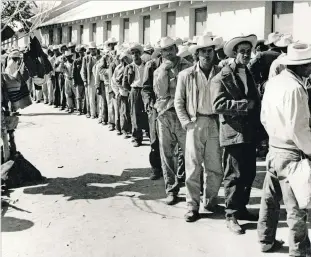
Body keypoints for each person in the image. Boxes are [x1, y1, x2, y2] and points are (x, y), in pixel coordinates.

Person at [258, 42, 311, 256]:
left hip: (274, 147)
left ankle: (265, 240)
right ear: (301, 66)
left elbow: (263, 117)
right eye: (309, 65)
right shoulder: (296, 89)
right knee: (296, 205)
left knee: (270, 200)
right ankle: (299, 249)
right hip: (291, 152)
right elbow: (298, 128)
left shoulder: (274, 83)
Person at [211, 34, 261, 235]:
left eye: (249, 52)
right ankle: (230, 214)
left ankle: (241, 208)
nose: (247, 55)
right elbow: (217, 105)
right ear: (234, 53)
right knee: (233, 175)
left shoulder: (247, 72)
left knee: (249, 173)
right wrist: (243, 106)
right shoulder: (222, 76)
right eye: (242, 52)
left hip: (249, 133)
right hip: (233, 133)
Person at [175, 34, 224, 222]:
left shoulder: (221, 72)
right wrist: (187, 123)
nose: (206, 54)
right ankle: (192, 206)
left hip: (215, 122)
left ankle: (210, 201)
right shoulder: (186, 75)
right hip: (195, 123)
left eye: (210, 51)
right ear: (197, 54)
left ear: (214, 52)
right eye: (203, 51)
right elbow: (179, 101)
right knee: (193, 166)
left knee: (215, 166)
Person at [153, 36, 192, 205]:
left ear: (176, 49)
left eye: (170, 49)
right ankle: (171, 189)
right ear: (160, 53)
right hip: (165, 114)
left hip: (183, 114)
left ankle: (194, 190)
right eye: (164, 51)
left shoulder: (188, 66)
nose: (168, 53)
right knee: (167, 154)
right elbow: (161, 93)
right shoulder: (158, 70)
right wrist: (164, 70)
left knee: (190, 154)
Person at [141, 44, 163, 180]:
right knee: (155, 140)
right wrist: (149, 103)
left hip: (173, 108)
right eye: (163, 51)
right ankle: (156, 168)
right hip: (156, 107)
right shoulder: (152, 65)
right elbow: (146, 88)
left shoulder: (178, 65)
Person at [122, 43, 148, 147]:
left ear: (140, 54)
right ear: (131, 55)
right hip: (134, 90)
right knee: (134, 114)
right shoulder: (129, 67)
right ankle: (137, 138)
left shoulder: (146, 65)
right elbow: (125, 83)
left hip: (145, 90)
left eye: (137, 53)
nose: (135, 55)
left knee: (147, 112)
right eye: (133, 53)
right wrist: (132, 91)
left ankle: (149, 133)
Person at [111, 51, 132, 136]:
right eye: (123, 59)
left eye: (126, 58)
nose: (125, 60)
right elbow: (113, 81)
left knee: (128, 111)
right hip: (120, 92)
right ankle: (122, 129)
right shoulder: (118, 68)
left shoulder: (131, 67)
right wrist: (117, 92)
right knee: (122, 111)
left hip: (129, 92)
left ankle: (127, 128)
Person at [81, 42, 98, 119]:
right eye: (91, 49)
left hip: (98, 79)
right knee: (91, 97)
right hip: (90, 79)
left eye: (94, 49)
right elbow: (83, 70)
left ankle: (99, 113)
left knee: (98, 97)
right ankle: (92, 113)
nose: (93, 50)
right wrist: (84, 80)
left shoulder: (100, 57)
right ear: (89, 50)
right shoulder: (86, 58)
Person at [73, 45, 86, 115]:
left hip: (86, 81)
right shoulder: (76, 61)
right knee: (78, 97)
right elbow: (74, 72)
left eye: (82, 52)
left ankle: (84, 110)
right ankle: (79, 110)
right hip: (78, 81)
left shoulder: (87, 59)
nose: (81, 53)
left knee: (85, 96)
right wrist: (74, 81)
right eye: (80, 52)